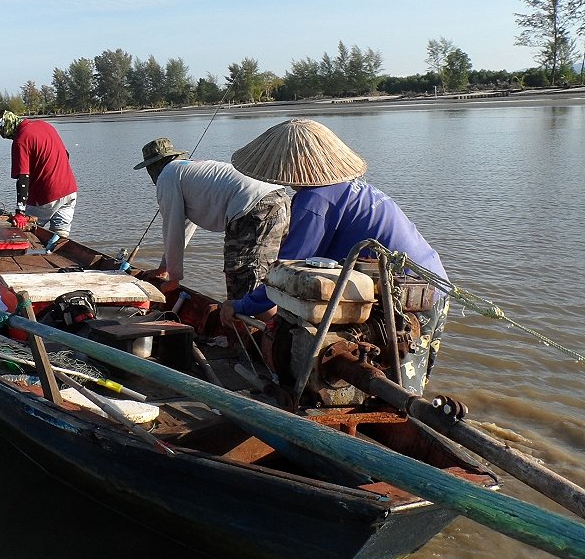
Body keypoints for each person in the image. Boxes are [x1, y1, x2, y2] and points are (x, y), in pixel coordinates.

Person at [220, 118, 450, 389]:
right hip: (432, 284)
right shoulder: (354, 188)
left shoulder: (314, 200)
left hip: (409, 296)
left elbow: (286, 272)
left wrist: (241, 306)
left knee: (399, 391)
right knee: (407, 378)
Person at [133, 137, 290, 299]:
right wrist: (165, 268)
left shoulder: (167, 176)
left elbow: (173, 231)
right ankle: (282, 319)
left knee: (244, 288)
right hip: (279, 198)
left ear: (153, 166)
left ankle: (257, 322)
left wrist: (173, 279)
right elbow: (183, 230)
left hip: (253, 209)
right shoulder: (188, 171)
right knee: (276, 274)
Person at [0, 109, 78, 237]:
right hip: (70, 191)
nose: (3, 136)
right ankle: (53, 250)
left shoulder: (20, 141)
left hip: (46, 197)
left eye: (1, 131)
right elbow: (66, 155)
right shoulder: (45, 125)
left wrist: (20, 212)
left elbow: (23, 178)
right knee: (60, 236)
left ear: (7, 124)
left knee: (22, 234)